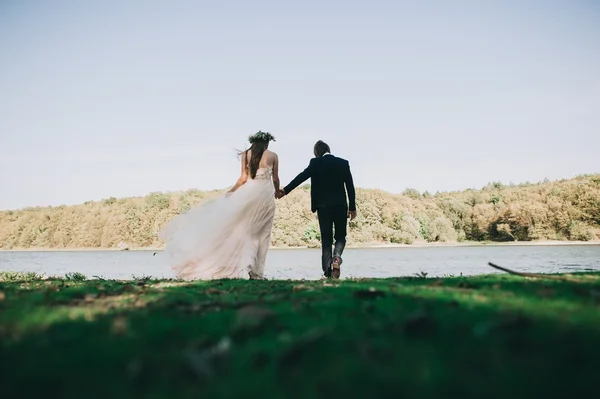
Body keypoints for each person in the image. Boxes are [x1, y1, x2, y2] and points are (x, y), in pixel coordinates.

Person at [158, 131, 280, 280]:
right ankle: (257, 273)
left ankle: (247, 268)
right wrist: (278, 191)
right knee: (263, 233)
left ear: (253, 142)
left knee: (245, 231)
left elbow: (243, 178)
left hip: (249, 192)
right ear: (267, 142)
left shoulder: (245, 155)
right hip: (264, 194)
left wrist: (232, 192)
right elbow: (275, 179)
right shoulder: (273, 155)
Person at [277, 140, 356, 279]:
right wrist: (352, 208)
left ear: (317, 152)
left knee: (326, 240)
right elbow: (350, 186)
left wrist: (285, 190)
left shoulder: (315, 163)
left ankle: (327, 272)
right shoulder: (343, 163)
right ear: (328, 150)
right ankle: (337, 258)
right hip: (340, 206)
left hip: (323, 207)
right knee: (340, 236)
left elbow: (301, 177)